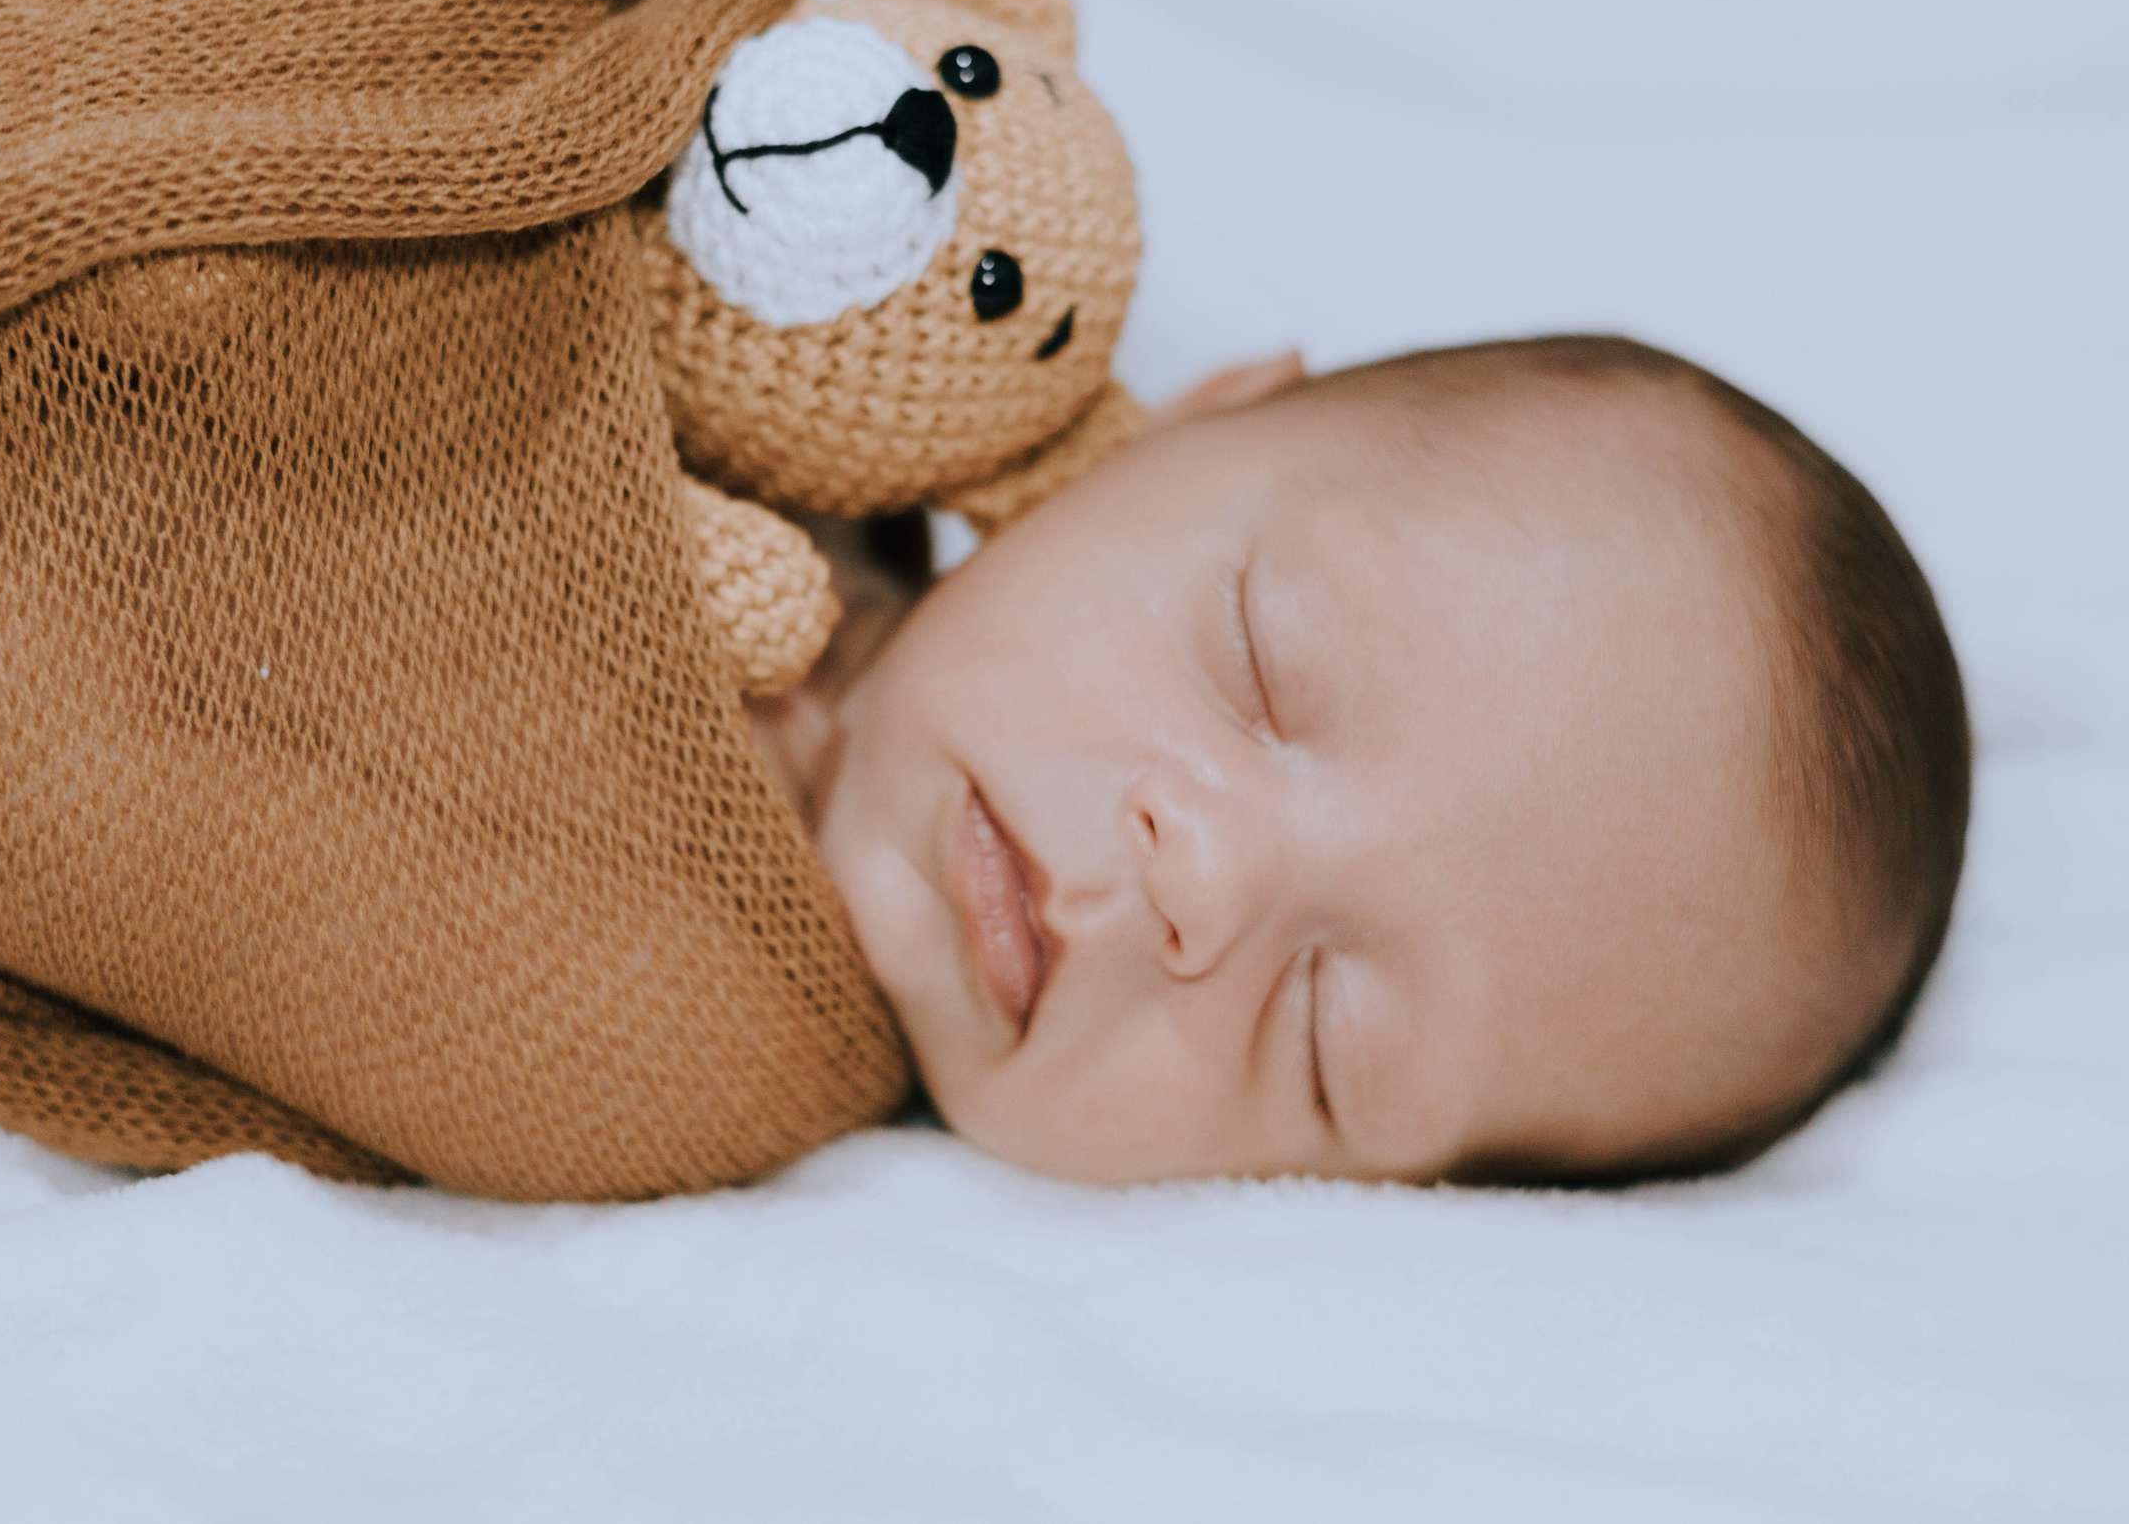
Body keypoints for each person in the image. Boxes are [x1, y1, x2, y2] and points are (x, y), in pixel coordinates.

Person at [752, 335, 1970, 1187]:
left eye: (1323, 1038)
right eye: (1259, 664)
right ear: (1187, 419)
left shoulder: (706, 1094)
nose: (1206, 882)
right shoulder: (738, 348)